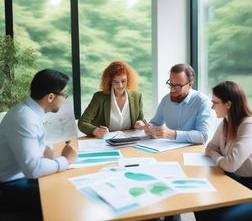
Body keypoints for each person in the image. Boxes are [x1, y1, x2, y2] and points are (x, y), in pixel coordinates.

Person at [0, 69, 77, 220]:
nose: (65, 99)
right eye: (64, 95)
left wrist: (45, 147)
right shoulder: (24, 118)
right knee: (69, 194)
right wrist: (66, 160)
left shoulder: (29, 112)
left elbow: (34, 140)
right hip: (10, 185)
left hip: (20, 177)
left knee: (68, 182)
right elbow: (33, 169)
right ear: (50, 97)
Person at [194, 81, 252, 221]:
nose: (212, 107)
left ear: (228, 104)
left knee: (224, 217)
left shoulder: (250, 125)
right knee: (200, 203)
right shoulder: (226, 123)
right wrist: (217, 156)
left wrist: (215, 156)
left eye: (215, 102)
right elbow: (210, 147)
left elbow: (230, 165)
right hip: (237, 180)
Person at [144, 63, 212, 144]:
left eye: (178, 86)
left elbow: (203, 136)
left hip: (193, 152)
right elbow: (156, 122)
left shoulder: (203, 102)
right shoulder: (166, 100)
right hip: (168, 149)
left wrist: (173, 134)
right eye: (171, 85)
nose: (172, 90)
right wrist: (150, 127)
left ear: (190, 84)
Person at [78, 61, 145, 138]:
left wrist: (141, 124)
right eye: (115, 81)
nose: (120, 85)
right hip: (106, 142)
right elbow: (82, 123)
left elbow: (141, 119)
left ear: (128, 80)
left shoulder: (137, 96)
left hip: (129, 140)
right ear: (109, 81)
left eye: (123, 81)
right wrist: (94, 130)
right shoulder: (99, 97)